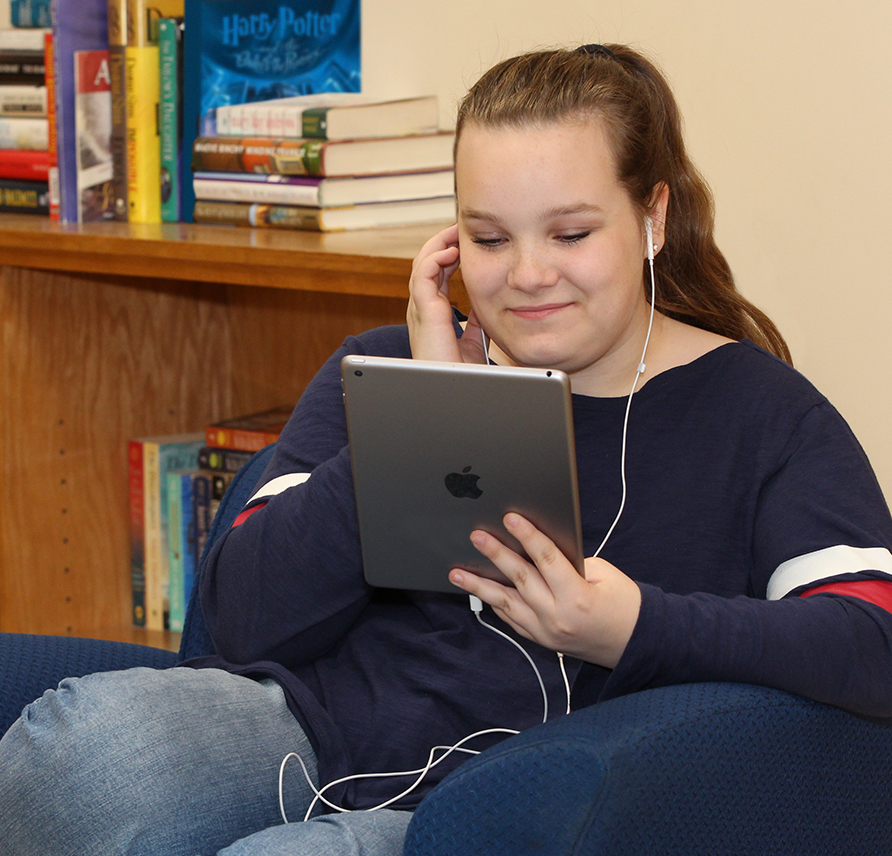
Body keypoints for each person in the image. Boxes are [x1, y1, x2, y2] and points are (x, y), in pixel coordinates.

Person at [2, 43, 892, 856]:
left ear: (652, 216)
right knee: (85, 752)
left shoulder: (761, 413)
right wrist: (428, 414)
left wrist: (631, 629)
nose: (528, 275)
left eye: (571, 234)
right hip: (305, 734)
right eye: (490, 239)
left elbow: (870, 642)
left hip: (512, 807)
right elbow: (232, 625)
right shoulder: (384, 367)